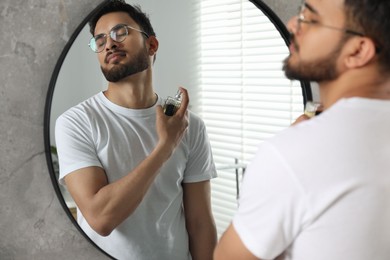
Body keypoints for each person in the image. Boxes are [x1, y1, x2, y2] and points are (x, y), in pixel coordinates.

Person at [214, 0, 390, 259]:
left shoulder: (291, 154)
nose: (292, 24)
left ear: (358, 51)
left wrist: (297, 148)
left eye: (311, 19)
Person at [55, 1, 217, 259]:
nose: (109, 43)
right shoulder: (76, 122)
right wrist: (165, 146)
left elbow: (200, 224)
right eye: (99, 40)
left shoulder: (190, 125)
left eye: (121, 32)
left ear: (151, 45)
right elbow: (101, 218)